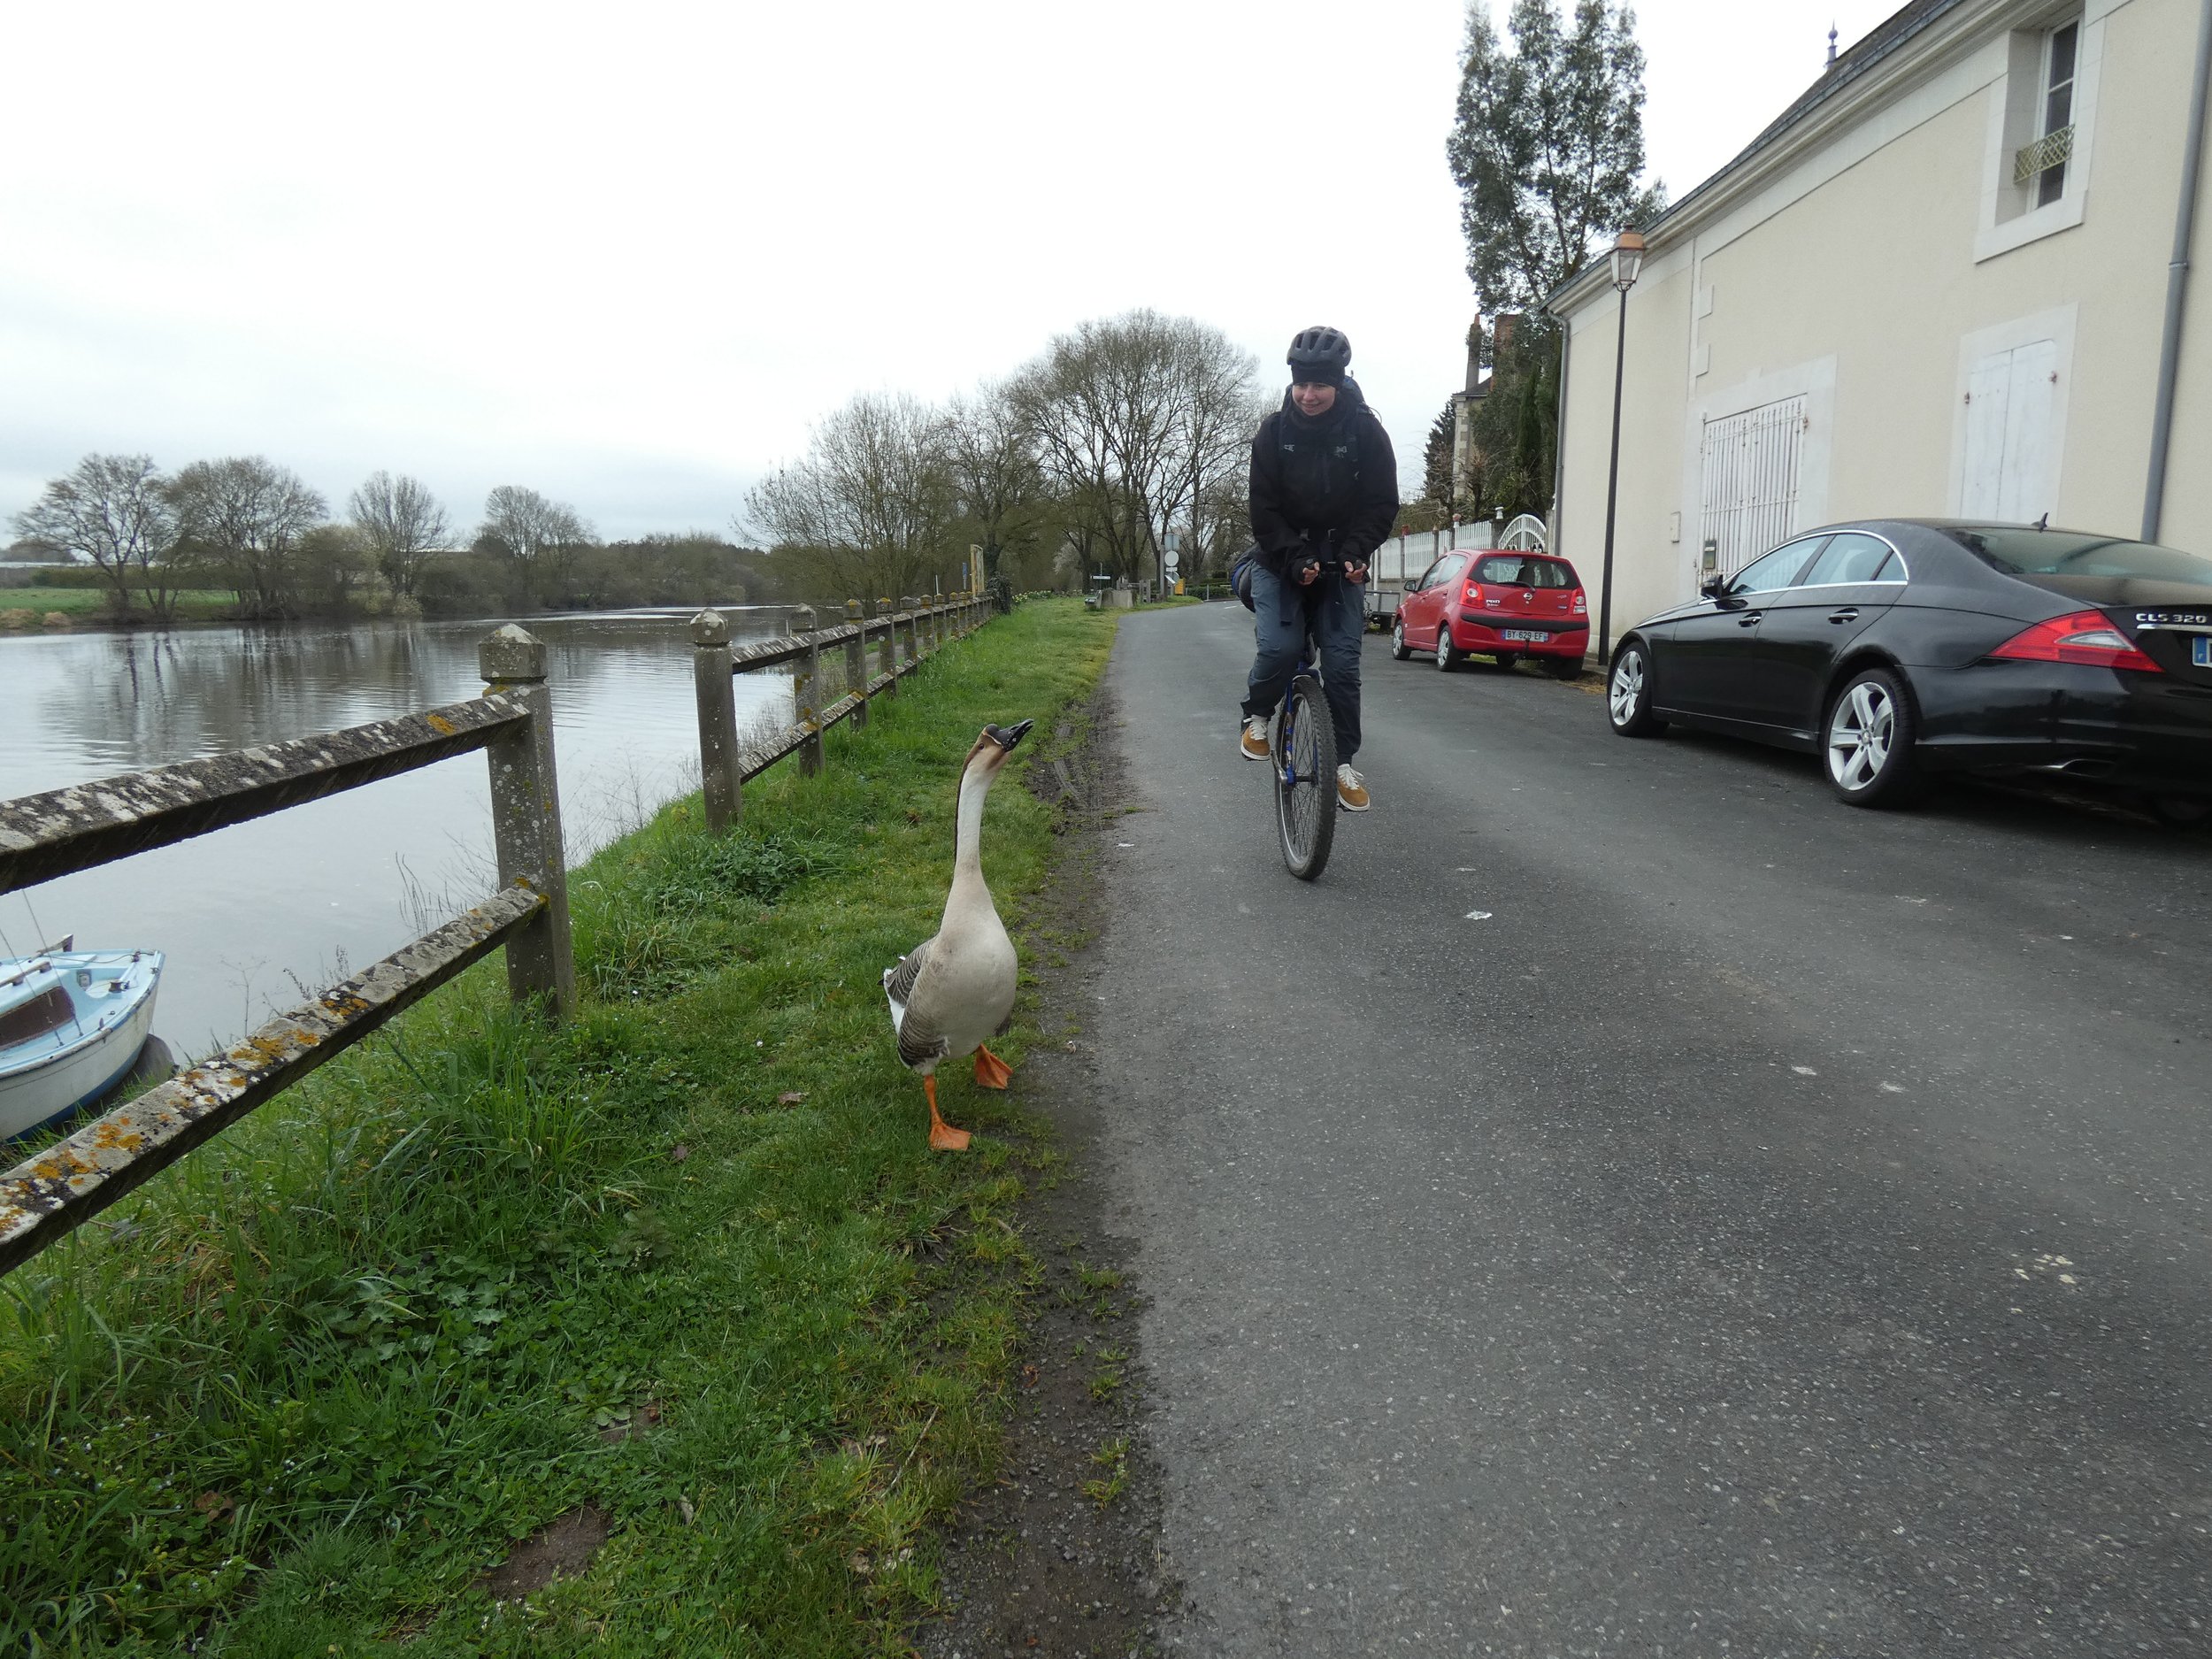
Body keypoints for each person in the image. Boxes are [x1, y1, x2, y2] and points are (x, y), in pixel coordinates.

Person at [1238, 326, 1399, 811]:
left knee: (1344, 668)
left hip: (1340, 564)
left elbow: (1381, 502)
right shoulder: (1273, 432)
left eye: (1319, 386)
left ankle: (1343, 761)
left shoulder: (1365, 432)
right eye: (1301, 384)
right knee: (1281, 648)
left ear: (1338, 382)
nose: (1308, 395)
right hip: (1278, 560)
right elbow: (1262, 511)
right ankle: (1257, 715)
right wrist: (1294, 558)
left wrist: (1356, 551)